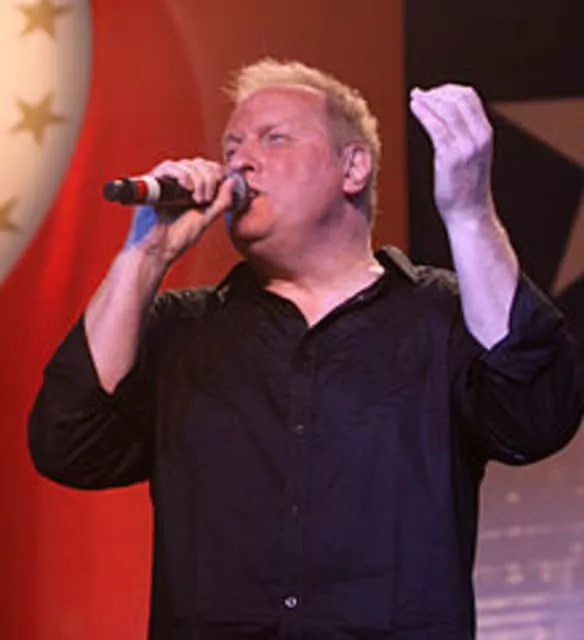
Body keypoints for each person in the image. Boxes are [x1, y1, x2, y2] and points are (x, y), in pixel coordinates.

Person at [29, 58, 583, 639]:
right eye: (232, 146)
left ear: (353, 167)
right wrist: (145, 255)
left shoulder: (440, 316)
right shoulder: (182, 329)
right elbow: (68, 444)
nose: (241, 161)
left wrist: (468, 215)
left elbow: (537, 416)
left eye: (274, 139)